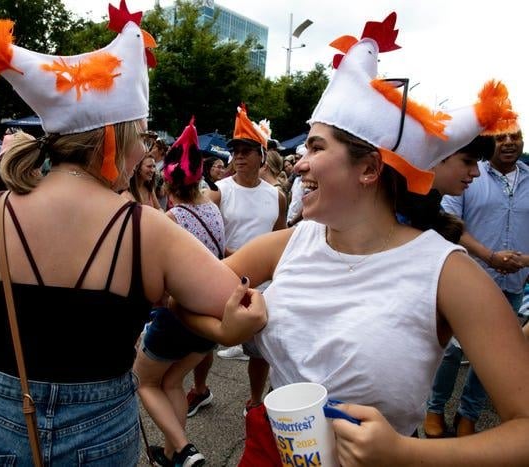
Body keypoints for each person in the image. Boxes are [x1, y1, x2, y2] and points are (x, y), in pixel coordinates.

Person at [0, 10, 264, 466]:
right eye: (141, 136)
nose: (144, 152)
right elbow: (239, 304)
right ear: (113, 141)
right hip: (99, 431)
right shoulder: (147, 230)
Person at [181, 12, 529, 465]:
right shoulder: (291, 243)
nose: (299, 163)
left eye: (317, 147)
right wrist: (223, 329)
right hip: (269, 451)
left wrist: (404, 452)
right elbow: (181, 295)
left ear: (368, 169)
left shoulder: (446, 273)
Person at [424, 122, 529, 437]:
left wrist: (524, 261)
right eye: (502, 137)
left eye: (515, 136)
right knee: (452, 351)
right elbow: (451, 223)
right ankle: (434, 408)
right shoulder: (470, 175)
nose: (509, 142)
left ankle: (468, 414)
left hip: (514, 283)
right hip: (467, 280)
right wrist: (490, 257)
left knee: (495, 356)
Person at [133, 118, 225, 466]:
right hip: (209, 320)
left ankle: (185, 448)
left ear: (167, 180)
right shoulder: (213, 209)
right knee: (172, 382)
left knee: (144, 382)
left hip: (177, 317)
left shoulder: (171, 220)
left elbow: (158, 279)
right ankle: (172, 454)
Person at [211, 106, 287, 417]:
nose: (239, 157)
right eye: (235, 151)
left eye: (246, 151)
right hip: (226, 281)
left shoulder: (277, 197)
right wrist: (236, 257)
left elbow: (281, 238)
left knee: (261, 352)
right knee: (205, 346)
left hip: (265, 287)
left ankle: (256, 401)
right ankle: (199, 388)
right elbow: (210, 242)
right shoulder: (218, 192)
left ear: (262, 155)